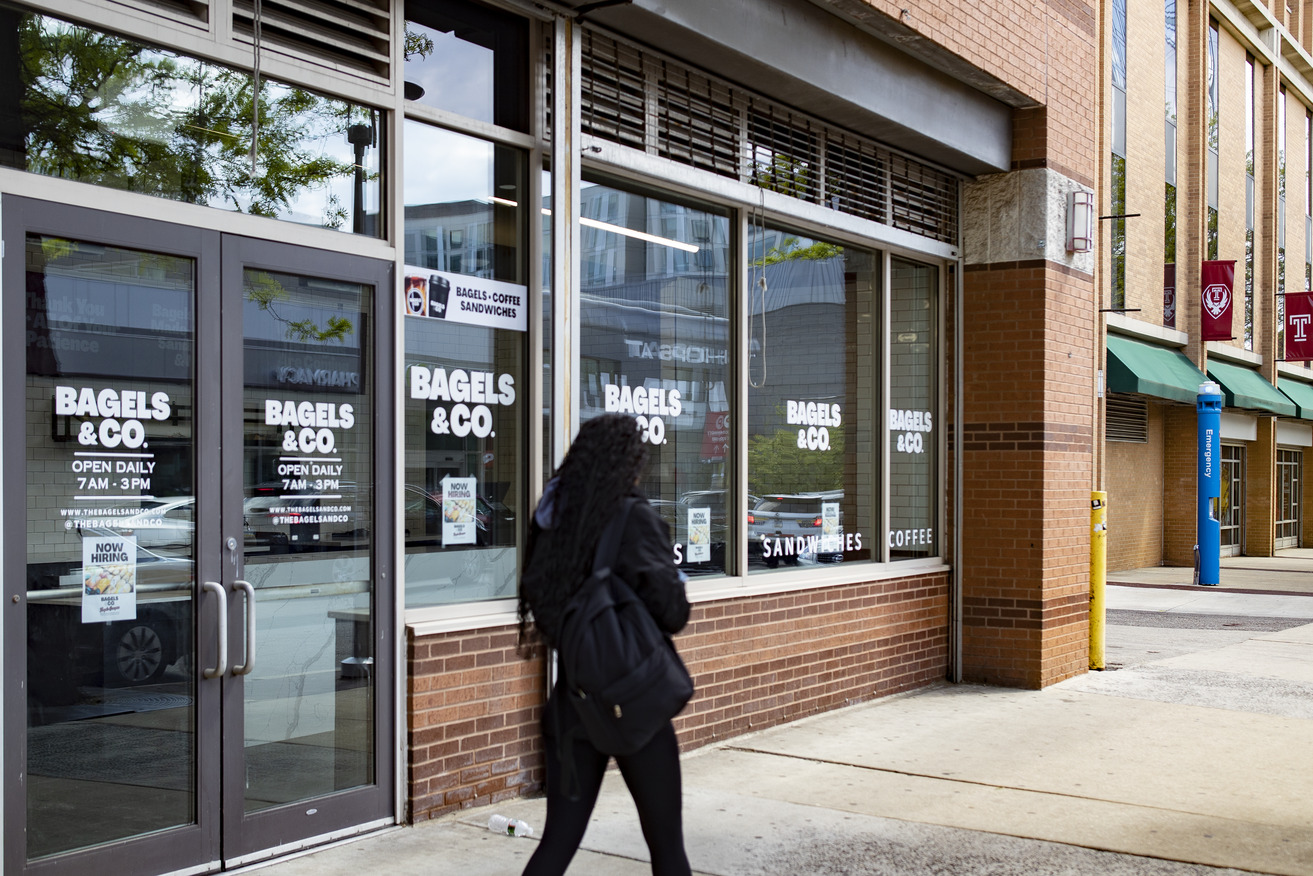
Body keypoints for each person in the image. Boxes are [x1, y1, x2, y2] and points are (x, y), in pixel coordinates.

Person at [517, 413, 692, 876]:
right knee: (667, 850)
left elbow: (544, 605)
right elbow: (673, 613)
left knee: (555, 847)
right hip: (635, 703)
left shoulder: (552, 520)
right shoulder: (633, 518)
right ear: (629, 463)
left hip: (573, 704)